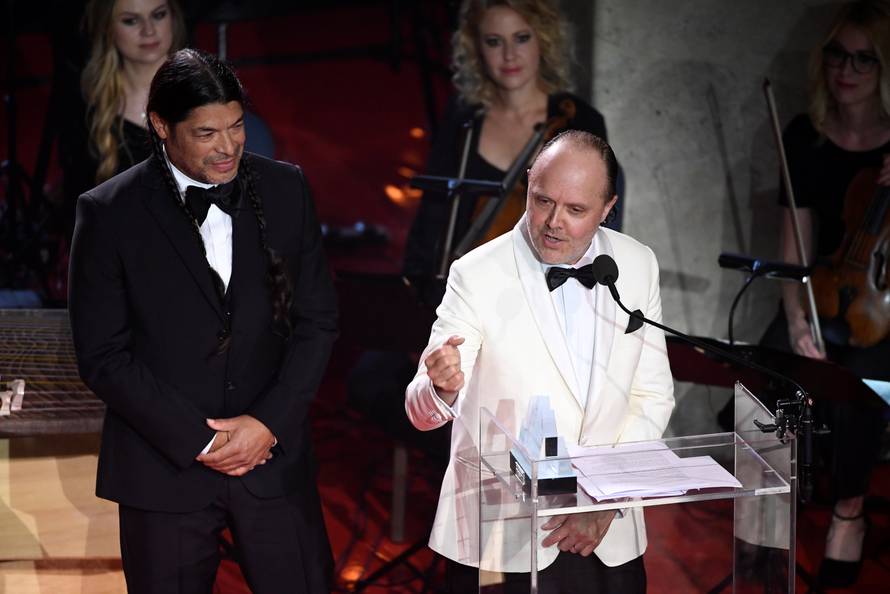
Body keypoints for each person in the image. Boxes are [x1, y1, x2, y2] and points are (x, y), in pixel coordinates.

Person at [68, 48, 336, 593]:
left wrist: (267, 424)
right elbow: (103, 356)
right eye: (207, 132)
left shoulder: (285, 188)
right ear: (162, 125)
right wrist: (201, 440)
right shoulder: (109, 213)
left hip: (272, 457)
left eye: (236, 126)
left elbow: (318, 321)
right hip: (163, 469)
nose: (228, 146)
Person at [405, 130, 674, 593]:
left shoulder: (637, 263)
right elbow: (420, 409)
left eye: (576, 210)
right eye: (543, 200)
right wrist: (442, 389)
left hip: (608, 534)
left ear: (608, 208)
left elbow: (652, 396)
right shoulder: (477, 272)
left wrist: (605, 502)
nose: (553, 222)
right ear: (528, 183)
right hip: (503, 536)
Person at [760, 0, 890, 588]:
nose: (848, 69)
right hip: (823, 291)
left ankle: (848, 514)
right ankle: (764, 515)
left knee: (863, 375)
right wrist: (796, 319)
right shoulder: (806, 136)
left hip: (884, 304)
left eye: (866, 59)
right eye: (838, 53)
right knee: (764, 362)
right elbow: (795, 246)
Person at [403, 0, 611, 279]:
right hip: (467, 288)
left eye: (521, 38)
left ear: (543, 39)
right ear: (476, 48)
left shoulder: (580, 121)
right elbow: (432, 215)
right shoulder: (463, 117)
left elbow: (596, 222)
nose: (509, 55)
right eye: (494, 42)